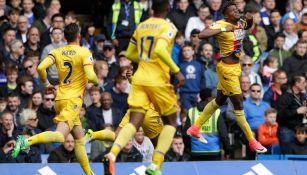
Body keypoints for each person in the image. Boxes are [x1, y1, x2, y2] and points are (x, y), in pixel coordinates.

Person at [104, 0, 185, 175]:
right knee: (171, 122)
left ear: (151, 10)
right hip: (157, 80)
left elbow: (131, 54)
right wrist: (177, 71)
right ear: (168, 8)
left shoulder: (141, 26)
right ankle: (155, 164)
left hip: (139, 78)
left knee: (134, 121)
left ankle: (112, 153)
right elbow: (161, 50)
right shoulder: (168, 26)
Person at [12, 23, 99, 175]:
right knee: (59, 136)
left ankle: (89, 173)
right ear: (79, 36)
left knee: (79, 138)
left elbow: (40, 68)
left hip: (60, 98)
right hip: (73, 100)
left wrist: (46, 83)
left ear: (65, 37)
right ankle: (25, 141)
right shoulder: (84, 52)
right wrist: (96, 82)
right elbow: (91, 75)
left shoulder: (57, 51)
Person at [187, 1, 267, 153]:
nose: (237, 11)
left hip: (236, 68)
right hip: (226, 70)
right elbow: (202, 34)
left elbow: (247, 27)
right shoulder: (220, 24)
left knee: (220, 100)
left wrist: (249, 19)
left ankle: (195, 127)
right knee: (239, 104)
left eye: (237, 9)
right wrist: (224, 28)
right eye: (233, 10)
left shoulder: (240, 22)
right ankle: (252, 141)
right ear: (226, 15)